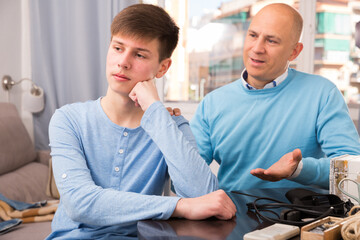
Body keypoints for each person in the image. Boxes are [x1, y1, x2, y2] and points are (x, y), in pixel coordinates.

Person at [47, 4, 236, 239]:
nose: (123, 62)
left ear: (163, 67)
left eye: (139, 54)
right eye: (118, 48)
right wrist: (178, 207)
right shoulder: (68, 120)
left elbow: (204, 196)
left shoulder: (171, 126)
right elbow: (80, 203)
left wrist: (155, 111)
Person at [190, 3, 360, 192]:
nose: (257, 48)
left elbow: (353, 170)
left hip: (305, 218)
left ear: (294, 51)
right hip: (231, 217)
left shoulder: (322, 93)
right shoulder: (212, 104)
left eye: (271, 41)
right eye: (253, 35)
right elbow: (185, 176)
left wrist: (299, 169)